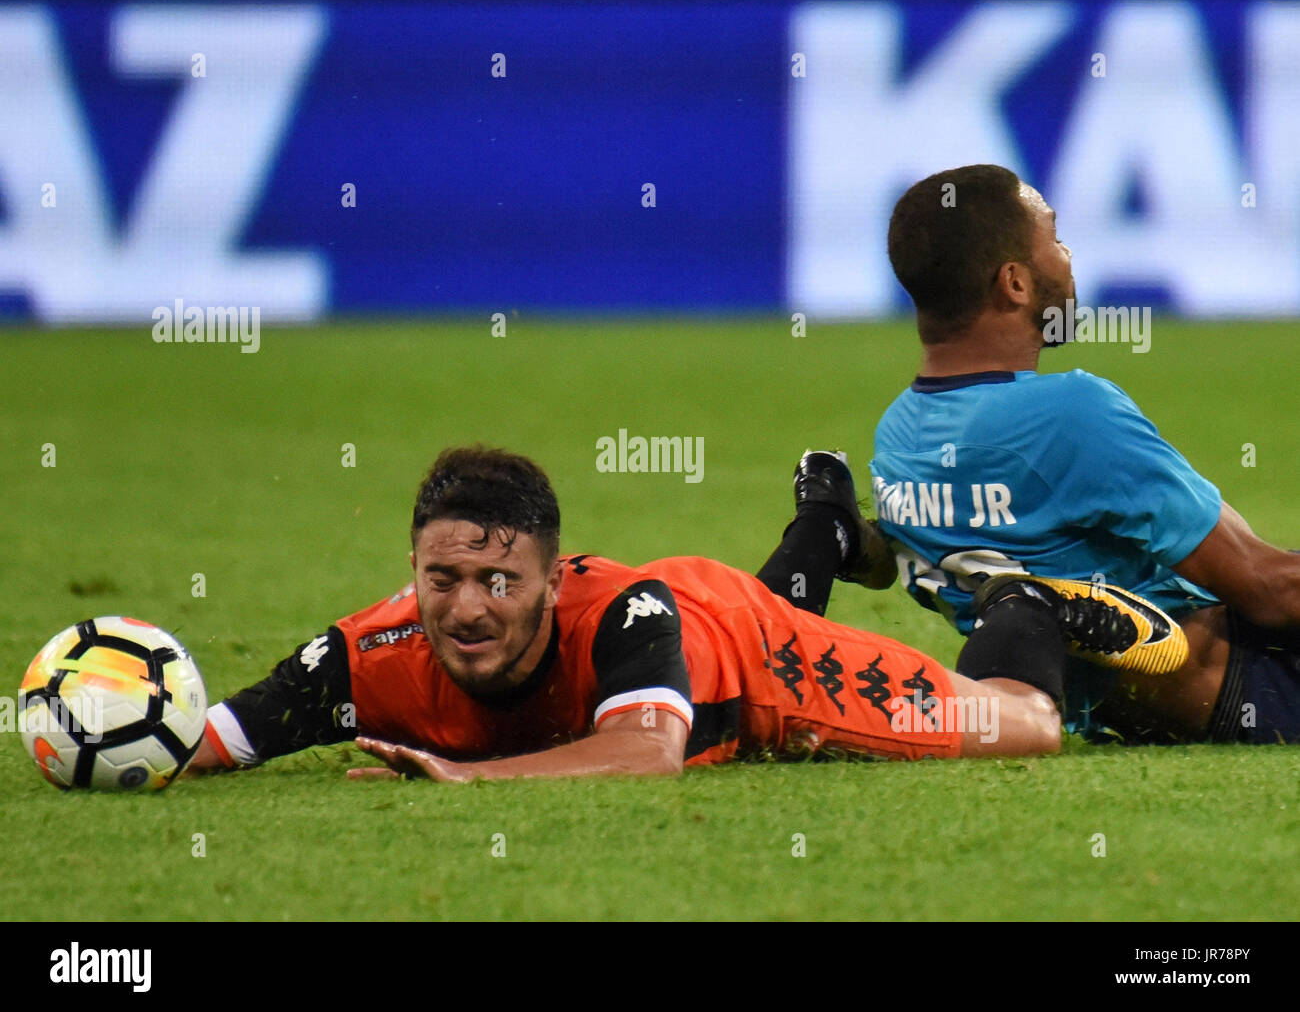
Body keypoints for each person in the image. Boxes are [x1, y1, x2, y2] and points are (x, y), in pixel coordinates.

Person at [188, 445, 1083, 782]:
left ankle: (1018, 588)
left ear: (549, 582)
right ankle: (828, 525)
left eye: (498, 580)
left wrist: (467, 776)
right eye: (442, 577)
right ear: (412, 570)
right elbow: (216, 734)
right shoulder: (361, 655)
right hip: (682, 635)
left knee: (1027, 721)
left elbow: (647, 752)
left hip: (754, 655)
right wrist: (104, 728)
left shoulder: (621, 612)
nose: (465, 607)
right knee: (770, 589)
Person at [870, 163, 1300, 744]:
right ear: (1015, 283)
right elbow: (1267, 591)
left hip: (1121, 715)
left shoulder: (897, 437)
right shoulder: (1073, 413)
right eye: (1055, 238)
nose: (1069, 257)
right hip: (1257, 686)